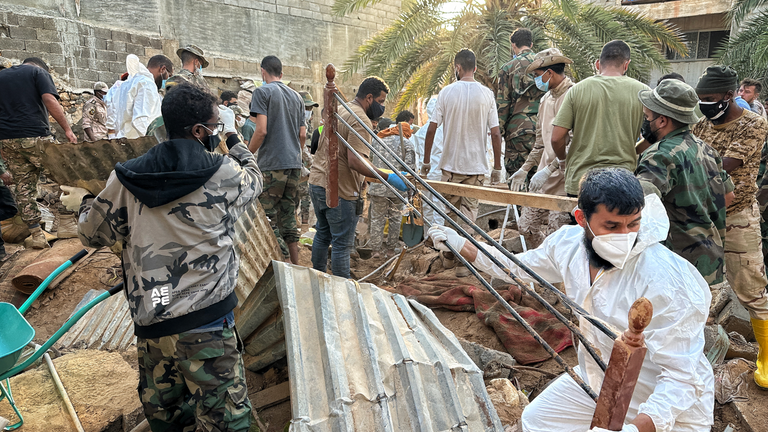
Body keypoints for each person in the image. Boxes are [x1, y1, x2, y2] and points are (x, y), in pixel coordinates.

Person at [428, 167, 714, 432]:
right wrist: (461, 243)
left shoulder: (667, 280)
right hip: (599, 379)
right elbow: (515, 268)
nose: (625, 237)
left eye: (633, 224)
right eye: (612, 226)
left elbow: (682, 378)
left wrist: (634, 429)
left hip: (664, 406)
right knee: (536, 422)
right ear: (581, 219)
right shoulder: (567, 245)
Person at [61, 83, 259, 431]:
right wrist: (234, 137)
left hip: (154, 328)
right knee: (228, 423)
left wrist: (84, 203)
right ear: (198, 131)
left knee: (169, 421)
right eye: (212, 126)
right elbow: (255, 181)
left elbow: (92, 234)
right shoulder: (223, 174)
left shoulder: (124, 180)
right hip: (208, 328)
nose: (213, 133)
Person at [692, 65, 768, 389]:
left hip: (737, 216)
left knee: (751, 287)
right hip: (703, 216)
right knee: (695, 285)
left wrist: (684, 162)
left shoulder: (753, 124)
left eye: (709, 99)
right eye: (700, 99)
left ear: (728, 95)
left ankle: (766, 355)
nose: (704, 105)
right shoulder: (701, 124)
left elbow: (725, 167)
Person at [635, 78, 734, 289]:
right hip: (710, 263)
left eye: (647, 117)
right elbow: (728, 196)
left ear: (661, 121)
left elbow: (640, 204)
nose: (646, 122)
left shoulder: (659, 155)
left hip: (676, 267)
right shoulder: (707, 150)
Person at [308, 76, 407, 279]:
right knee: (342, 245)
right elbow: (355, 161)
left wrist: (388, 172)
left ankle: (316, 279)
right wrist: (387, 178)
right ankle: (342, 290)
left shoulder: (341, 110)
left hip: (318, 183)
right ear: (369, 98)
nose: (382, 107)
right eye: (380, 102)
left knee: (322, 234)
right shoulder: (360, 119)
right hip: (340, 191)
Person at [422, 48, 502, 276]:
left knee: (448, 215)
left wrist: (427, 163)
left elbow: (431, 128)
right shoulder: (487, 94)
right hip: (475, 169)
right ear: (475, 68)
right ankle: (465, 265)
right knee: (469, 218)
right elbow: (495, 133)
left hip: (450, 167)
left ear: (457, 68)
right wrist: (497, 168)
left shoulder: (446, 93)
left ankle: (448, 257)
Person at [551, 40, 649, 198]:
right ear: (626, 64)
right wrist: (633, 149)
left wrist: (562, 160)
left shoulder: (577, 90)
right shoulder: (643, 92)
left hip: (581, 183)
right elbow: (655, 135)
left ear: (597, 64)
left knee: (581, 222)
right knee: (616, 223)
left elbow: (556, 138)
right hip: (622, 182)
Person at [0, 57, 78, 248]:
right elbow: (49, 99)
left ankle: (37, 236)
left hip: (6, 140)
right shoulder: (38, 72)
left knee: (23, 186)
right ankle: (67, 223)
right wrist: (67, 130)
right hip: (35, 136)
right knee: (66, 173)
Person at [513, 48, 574, 249]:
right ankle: (545, 260)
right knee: (526, 226)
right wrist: (525, 169)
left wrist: (551, 168)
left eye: (538, 75)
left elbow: (573, 142)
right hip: (542, 178)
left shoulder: (573, 95)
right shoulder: (545, 99)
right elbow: (540, 143)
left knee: (559, 232)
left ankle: (555, 274)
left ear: (550, 73)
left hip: (565, 180)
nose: (536, 80)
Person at [248, 55, 305, 264]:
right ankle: (296, 264)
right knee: (288, 213)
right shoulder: (297, 98)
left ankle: (284, 263)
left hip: (272, 165)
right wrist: (293, 154)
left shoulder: (262, 92)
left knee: (266, 215)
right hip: (294, 164)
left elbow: (261, 131)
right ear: (281, 73)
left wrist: (246, 154)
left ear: (263, 71)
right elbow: (303, 135)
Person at [498, 28, 545, 177]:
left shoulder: (508, 68)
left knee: (517, 179)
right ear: (531, 44)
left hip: (516, 133)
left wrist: (498, 133)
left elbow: (502, 104)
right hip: (542, 130)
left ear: (513, 45)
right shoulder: (546, 66)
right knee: (540, 178)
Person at [369, 121, 416, 258]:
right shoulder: (406, 144)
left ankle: (375, 251)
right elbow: (410, 169)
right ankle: (391, 250)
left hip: (377, 185)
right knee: (395, 218)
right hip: (397, 187)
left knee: (377, 219)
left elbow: (369, 161)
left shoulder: (377, 140)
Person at [109, 55, 173, 139]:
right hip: (139, 142)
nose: (168, 79)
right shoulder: (146, 84)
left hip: (126, 138)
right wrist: (154, 140)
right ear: (163, 69)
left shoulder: (128, 84)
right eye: (169, 75)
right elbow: (140, 120)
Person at [412, 96, 445, 227]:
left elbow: (416, 154)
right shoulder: (445, 131)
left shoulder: (421, 131)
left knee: (426, 205)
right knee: (439, 206)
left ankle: (428, 237)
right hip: (440, 172)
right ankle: (439, 238)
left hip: (424, 173)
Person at [298, 91, 319, 225]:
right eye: (306, 108)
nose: (309, 111)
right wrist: (312, 162)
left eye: (310, 109)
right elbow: (301, 146)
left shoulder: (307, 125)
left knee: (306, 194)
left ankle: (304, 222)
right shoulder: (295, 122)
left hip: (305, 164)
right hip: (297, 163)